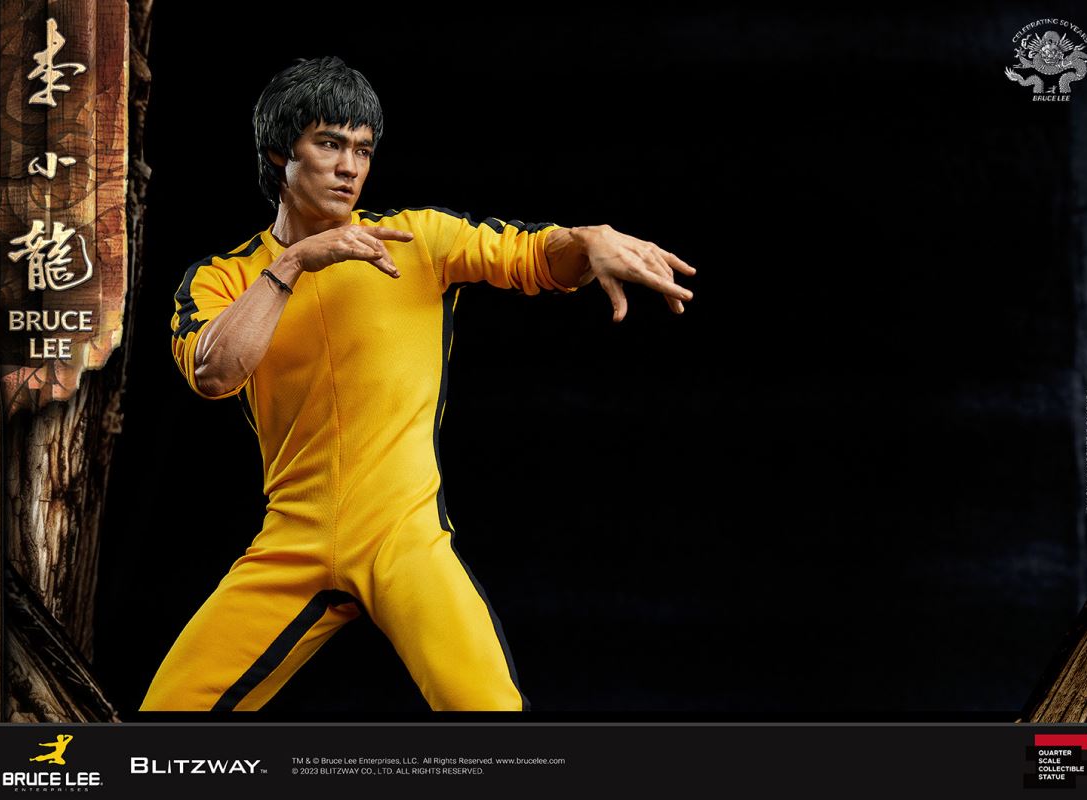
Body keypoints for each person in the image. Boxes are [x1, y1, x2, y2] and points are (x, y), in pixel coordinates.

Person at [141, 56, 695, 712]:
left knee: (489, 715)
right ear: (279, 154)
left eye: (362, 150)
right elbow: (214, 374)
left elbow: (532, 256)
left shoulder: (417, 239)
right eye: (329, 144)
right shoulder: (224, 277)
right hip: (292, 540)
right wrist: (293, 263)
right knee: (162, 724)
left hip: (403, 538)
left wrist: (587, 240)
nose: (349, 167)